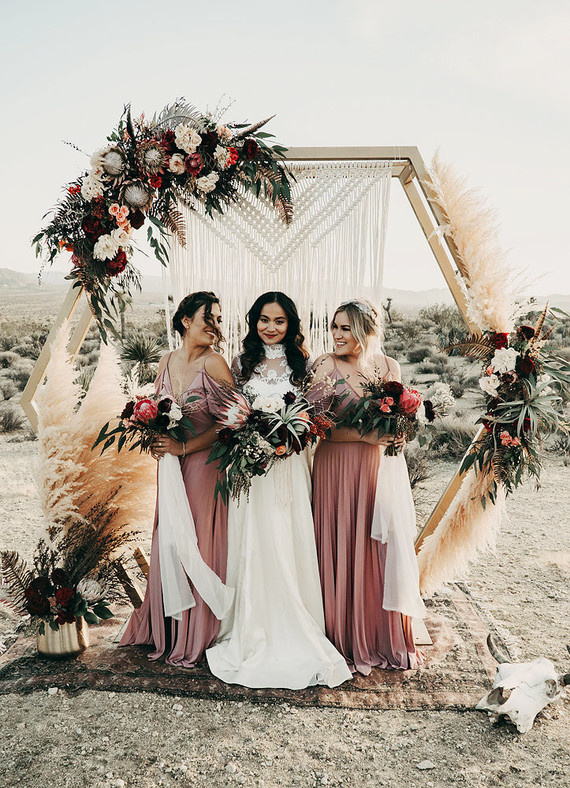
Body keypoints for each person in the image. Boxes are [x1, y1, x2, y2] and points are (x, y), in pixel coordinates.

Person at [206, 292, 351, 689]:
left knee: (287, 538)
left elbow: (313, 419)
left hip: (289, 467)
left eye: (279, 321)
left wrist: (291, 439)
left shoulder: (305, 365)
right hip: (251, 468)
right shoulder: (240, 364)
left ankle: (296, 621)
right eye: (264, 320)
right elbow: (232, 413)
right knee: (254, 539)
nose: (270, 328)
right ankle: (252, 624)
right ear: (254, 322)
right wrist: (248, 437)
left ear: (291, 325)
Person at [311, 299, 425, 675]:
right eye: (335, 326)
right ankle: (340, 633)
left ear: (366, 331)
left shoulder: (389, 367)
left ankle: (377, 632)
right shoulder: (325, 366)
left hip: (376, 471)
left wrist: (399, 435)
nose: (337, 334)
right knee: (341, 540)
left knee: (375, 546)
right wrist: (368, 435)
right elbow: (318, 426)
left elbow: (398, 421)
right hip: (336, 469)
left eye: (345, 327)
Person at [120, 291, 235, 667]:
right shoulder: (166, 360)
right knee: (167, 538)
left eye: (218, 319)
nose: (215, 326)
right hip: (170, 466)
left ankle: (196, 633)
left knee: (196, 541)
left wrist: (184, 447)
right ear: (186, 321)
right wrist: (153, 437)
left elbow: (231, 424)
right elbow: (157, 411)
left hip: (203, 464)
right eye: (208, 318)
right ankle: (167, 630)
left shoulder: (215, 363)